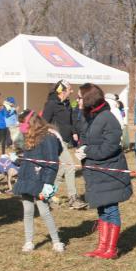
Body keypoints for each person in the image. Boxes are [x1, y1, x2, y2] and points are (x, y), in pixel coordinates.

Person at [76, 83, 133, 259]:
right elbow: (86, 138)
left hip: (109, 171)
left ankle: (111, 249)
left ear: (88, 99)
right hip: (95, 171)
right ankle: (102, 247)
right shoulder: (88, 116)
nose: (77, 100)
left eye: (79, 97)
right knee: (101, 209)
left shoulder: (108, 118)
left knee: (111, 209)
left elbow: (109, 147)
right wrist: (82, 148)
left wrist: (88, 151)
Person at [12, 110, 65, 253]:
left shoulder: (48, 137)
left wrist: (48, 183)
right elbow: (28, 158)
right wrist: (17, 160)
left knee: (44, 211)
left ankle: (56, 242)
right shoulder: (29, 135)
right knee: (28, 211)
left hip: (41, 180)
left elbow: (53, 163)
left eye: (23, 123)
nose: (21, 126)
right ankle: (28, 242)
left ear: (31, 122)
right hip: (26, 178)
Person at [42, 80, 88, 210]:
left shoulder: (67, 103)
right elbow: (43, 123)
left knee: (61, 170)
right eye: (69, 89)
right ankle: (73, 198)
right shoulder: (51, 104)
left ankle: (47, 197)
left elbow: (70, 120)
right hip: (56, 141)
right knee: (70, 166)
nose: (71, 92)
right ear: (62, 91)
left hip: (66, 140)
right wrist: (52, 134)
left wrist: (74, 132)